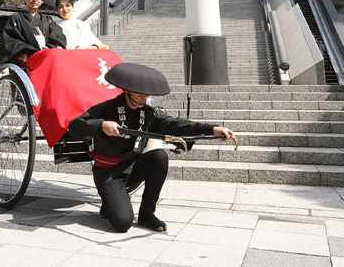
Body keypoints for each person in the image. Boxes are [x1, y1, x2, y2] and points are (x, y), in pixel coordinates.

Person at [68, 62, 235, 233]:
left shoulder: (148, 113)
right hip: (109, 173)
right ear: (128, 91)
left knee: (159, 157)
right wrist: (101, 124)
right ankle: (112, 203)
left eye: (145, 96)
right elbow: (75, 126)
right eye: (140, 95)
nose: (144, 99)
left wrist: (212, 129)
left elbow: (175, 124)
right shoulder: (106, 108)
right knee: (122, 223)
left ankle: (147, 213)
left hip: (133, 167)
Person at [1, 0, 66, 64]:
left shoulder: (46, 19)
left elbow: (57, 34)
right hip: (28, 60)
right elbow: (10, 41)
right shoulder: (15, 18)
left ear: (42, 1)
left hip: (48, 57)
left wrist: (51, 48)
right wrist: (26, 52)